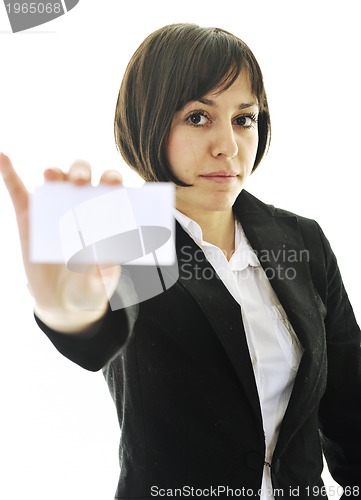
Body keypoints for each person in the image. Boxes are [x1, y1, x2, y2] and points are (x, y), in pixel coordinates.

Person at [0, 23, 360, 500]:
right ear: (149, 122)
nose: (228, 146)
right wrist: (69, 313)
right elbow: (98, 336)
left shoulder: (301, 239)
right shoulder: (128, 237)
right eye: (197, 117)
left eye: (244, 119)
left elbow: (350, 406)